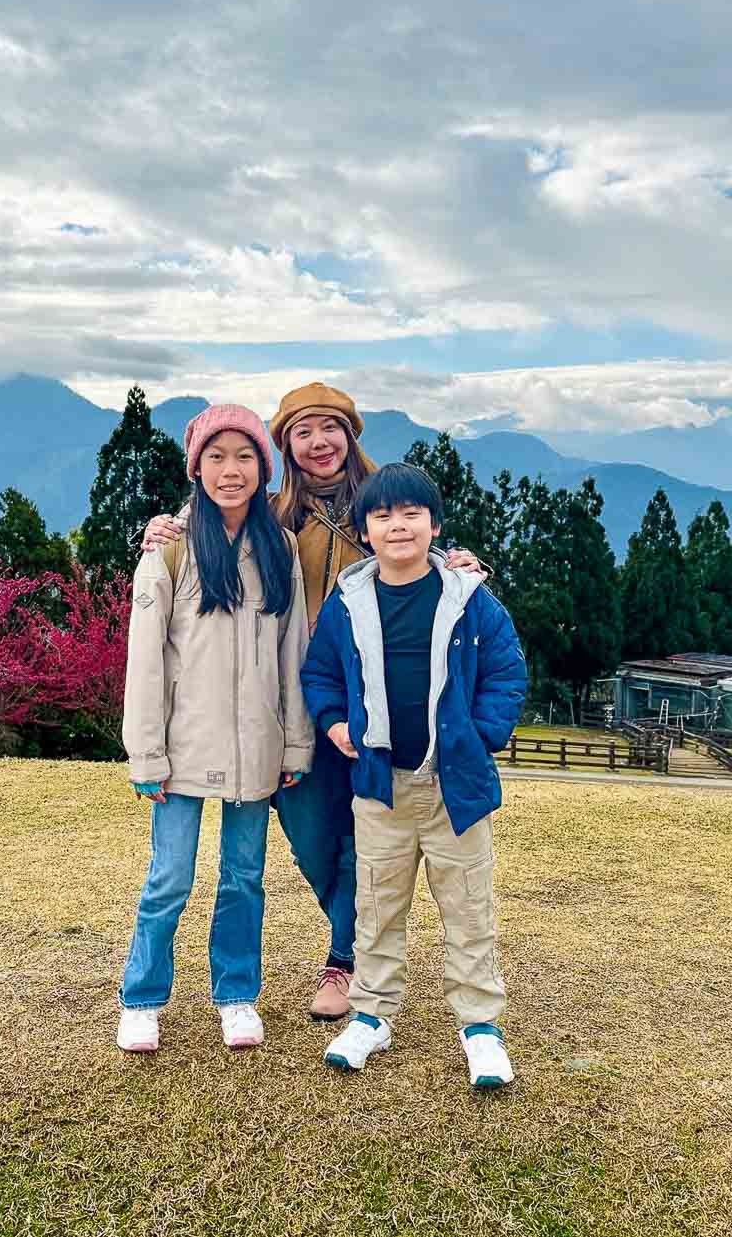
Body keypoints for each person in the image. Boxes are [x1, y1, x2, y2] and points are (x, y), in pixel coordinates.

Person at [142, 382, 483, 1023]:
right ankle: (367, 939)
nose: (319, 442)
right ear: (286, 446)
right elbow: (211, 521)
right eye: (302, 431)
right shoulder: (273, 515)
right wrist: (164, 527)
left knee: (364, 827)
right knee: (308, 832)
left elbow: (423, 554)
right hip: (292, 701)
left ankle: (347, 961)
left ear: (350, 434)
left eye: (330, 428)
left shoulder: (382, 501)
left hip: (373, 698)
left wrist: (458, 563)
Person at [300, 463, 527, 1088]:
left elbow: (507, 674)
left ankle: (480, 1026)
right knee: (377, 904)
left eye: (411, 514)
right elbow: (318, 673)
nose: (398, 526)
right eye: (382, 516)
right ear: (366, 532)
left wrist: (478, 738)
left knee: (468, 907)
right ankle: (372, 1015)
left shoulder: (469, 600)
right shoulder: (348, 604)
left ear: (434, 524)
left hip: (455, 787)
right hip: (379, 784)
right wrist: (334, 723)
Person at [117, 403, 314, 1054]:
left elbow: (294, 651)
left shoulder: (278, 546)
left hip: (256, 748)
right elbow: (145, 661)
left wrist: (294, 742)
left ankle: (236, 994)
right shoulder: (170, 548)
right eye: (217, 456)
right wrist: (146, 755)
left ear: (265, 466)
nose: (231, 470)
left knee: (243, 877)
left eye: (245, 456)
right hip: (180, 750)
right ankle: (142, 998)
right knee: (169, 876)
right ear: (196, 466)